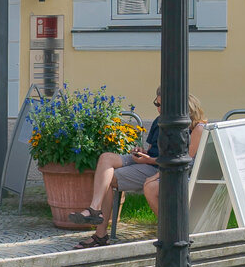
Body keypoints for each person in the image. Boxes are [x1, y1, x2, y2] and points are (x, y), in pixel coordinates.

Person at [75, 89, 206, 245]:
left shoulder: (196, 128)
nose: (158, 108)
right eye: (156, 104)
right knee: (105, 159)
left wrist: (149, 160)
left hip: (167, 168)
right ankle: (95, 212)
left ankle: (173, 233)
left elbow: (184, 161)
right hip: (151, 163)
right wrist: (142, 153)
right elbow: (152, 149)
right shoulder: (159, 121)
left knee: (122, 181)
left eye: (161, 104)